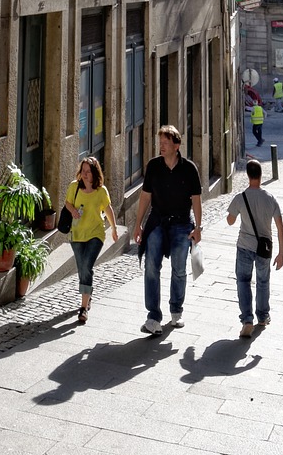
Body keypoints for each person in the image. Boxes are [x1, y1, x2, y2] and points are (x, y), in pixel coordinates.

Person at [133, 125, 202, 335]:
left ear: (176, 145)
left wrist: (198, 228)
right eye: (160, 142)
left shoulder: (189, 169)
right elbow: (145, 196)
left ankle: (176, 310)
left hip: (182, 223)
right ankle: (153, 316)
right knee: (151, 265)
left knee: (179, 268)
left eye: (165, 143)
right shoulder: (153, 166)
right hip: (157, 221)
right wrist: (138, 224)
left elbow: (197, 200)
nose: (161, 146)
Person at [226, 158, 283, 338]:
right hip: (265, 248)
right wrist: (281, 254)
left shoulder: (240, 197)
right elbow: (280, 228)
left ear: (247, 175)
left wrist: (237, 213)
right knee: (263, 281)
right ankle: (263, 316)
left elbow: (230, 221)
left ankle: (247, 320)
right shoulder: (270, 198)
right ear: (260, 175)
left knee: (243, 281)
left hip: (244, 245)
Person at [63, 156, 118, 324]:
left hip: (96, 234)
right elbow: (67, 203)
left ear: (95, 174)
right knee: (82, 269)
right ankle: (88, 295)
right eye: (83, 171)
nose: (85, 175)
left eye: (88, 172)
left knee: (87, 265)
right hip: (77, 234)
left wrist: (114, 229)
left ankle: (83, 308)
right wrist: (72, 210)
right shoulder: (74, 187)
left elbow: (108, 210)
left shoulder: (101, 191)